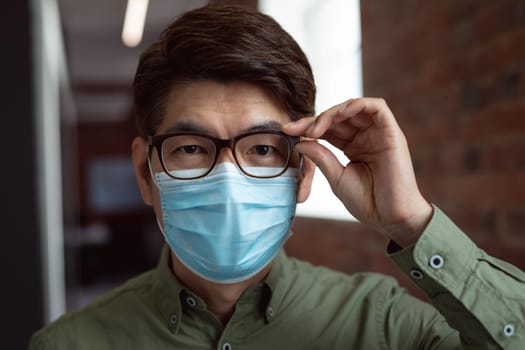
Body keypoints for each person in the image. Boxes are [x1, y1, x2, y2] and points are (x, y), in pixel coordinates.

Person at [29, 4, 524, 350]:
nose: (227, 178)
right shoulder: (68, 344)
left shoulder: (385, 326)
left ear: (304, 170)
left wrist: (413, 222)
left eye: (263, 148)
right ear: (145, 171)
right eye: (190, 148)